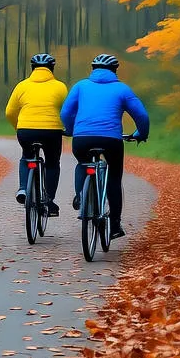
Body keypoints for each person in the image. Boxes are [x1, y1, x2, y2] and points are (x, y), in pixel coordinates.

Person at [61, 53, 149, 240]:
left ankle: (81, 197)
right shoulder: (122, 89)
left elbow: (66, 112)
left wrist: (70, 129)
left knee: (83, 164)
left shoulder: (80, 86)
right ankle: (115, 224)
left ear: (93, 69)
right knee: (114, 178)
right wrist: (141, 134)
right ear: (115, 70)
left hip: (82, 139)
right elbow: (142, 116)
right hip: (111, 141)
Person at [5, 53, 68, 215]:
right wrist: (66, 127)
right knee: (52, 163)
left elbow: (10, 112)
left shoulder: (22, 86)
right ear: (52, 69)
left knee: (26, 157)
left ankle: (23, 189)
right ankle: (49, 200)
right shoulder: (60, 86)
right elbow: (67, 111)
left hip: (25, 130)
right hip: (52, 131)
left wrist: (17, 127)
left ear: (32, 68)